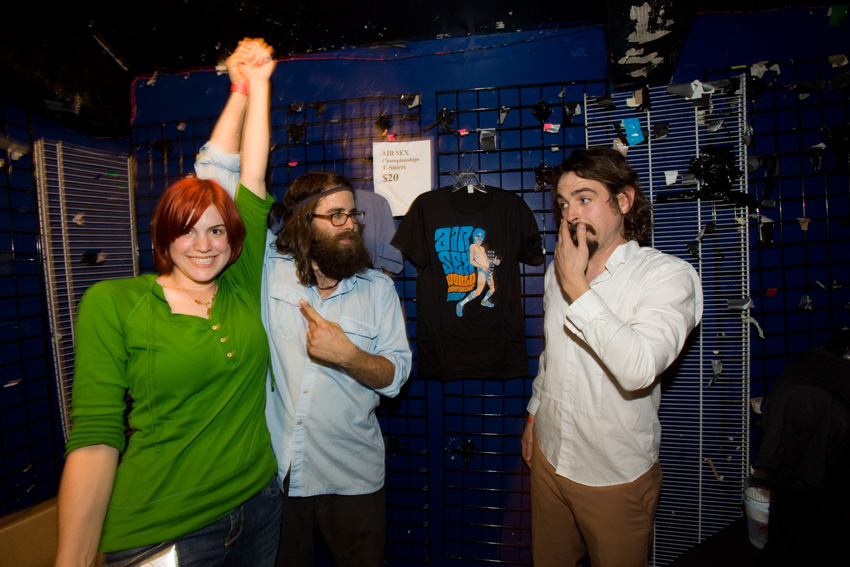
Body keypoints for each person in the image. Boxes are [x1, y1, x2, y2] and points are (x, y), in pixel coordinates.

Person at [55, 39, 278, 567]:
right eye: (187, 230)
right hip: (163, 529)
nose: (204, 245)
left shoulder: (239, 284)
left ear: (233, 239)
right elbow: (95, 438)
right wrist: (72, 558)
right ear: (163, 236)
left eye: (217, 231)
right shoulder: (116, 302)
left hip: (258, 504)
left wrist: (256, 84)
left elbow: (251, 175)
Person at [194, 49, 412, 567]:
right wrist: (246, 88)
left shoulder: (377, 290)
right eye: (335, 215)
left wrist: (348, 355)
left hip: (353, 478)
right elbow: (222, 180)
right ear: (302, 225)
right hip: (280, 476)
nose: (350, 224)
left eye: (352, 214)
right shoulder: (268, 269)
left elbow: (396, 375)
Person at [521, 146, 703, 567]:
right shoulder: (557, 272)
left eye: (584, 198)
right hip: (550, 455)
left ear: (623, 201)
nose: (571, 214)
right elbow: (554, 355)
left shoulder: (667, 276)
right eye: (563, 203)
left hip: (612, 473)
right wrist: (533, 417)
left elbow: (639, 369)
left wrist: (577, 288)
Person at [455, 227, 501, 316]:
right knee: (478, 291)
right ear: (474, 236)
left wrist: (494, 261)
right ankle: (460, 304)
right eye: (478, 236)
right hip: (482, 271)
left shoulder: (482, 248)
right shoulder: (473, 247)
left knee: (492, 289)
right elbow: (471, 261)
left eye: (481, 236)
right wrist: (482, 267)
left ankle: (484, 301)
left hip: (488, 271)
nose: (480, 238)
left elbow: (485, 260)